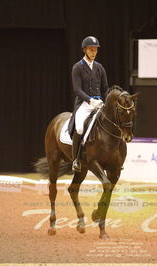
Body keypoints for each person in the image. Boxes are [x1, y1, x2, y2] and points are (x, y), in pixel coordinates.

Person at [68, 36, 109, 172]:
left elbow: (105, 88)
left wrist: (106, 102)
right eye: (91, 50)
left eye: (95, 50)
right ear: (85, 50)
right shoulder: (77, 67)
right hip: (84, 104)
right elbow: (77, 90)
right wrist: (91, 100)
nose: (94, 53)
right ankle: (76, 160)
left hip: (99, 103)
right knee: (79, 128)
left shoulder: (99, 68)